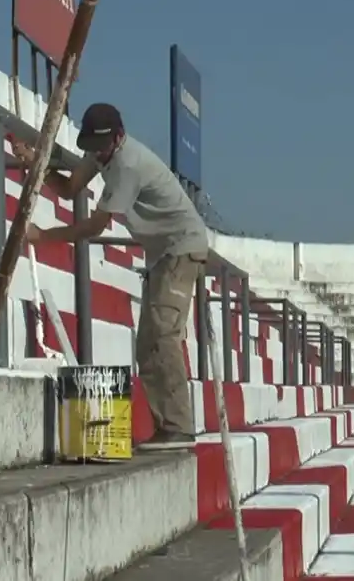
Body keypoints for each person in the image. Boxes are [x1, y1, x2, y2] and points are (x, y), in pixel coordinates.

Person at [13, 103, 209, 450]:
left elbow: (94, 225)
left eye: (102, 148)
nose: (96, 155)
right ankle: (169, 426)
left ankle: (178, 426)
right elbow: (71, 188)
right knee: (147, 342)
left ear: (118, 137)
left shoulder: (127, 165)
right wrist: (35, 165)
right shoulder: (100, 152)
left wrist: (43, 237)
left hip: (181, 248)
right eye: (91, 148)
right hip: (162, 252)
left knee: (162, 335)